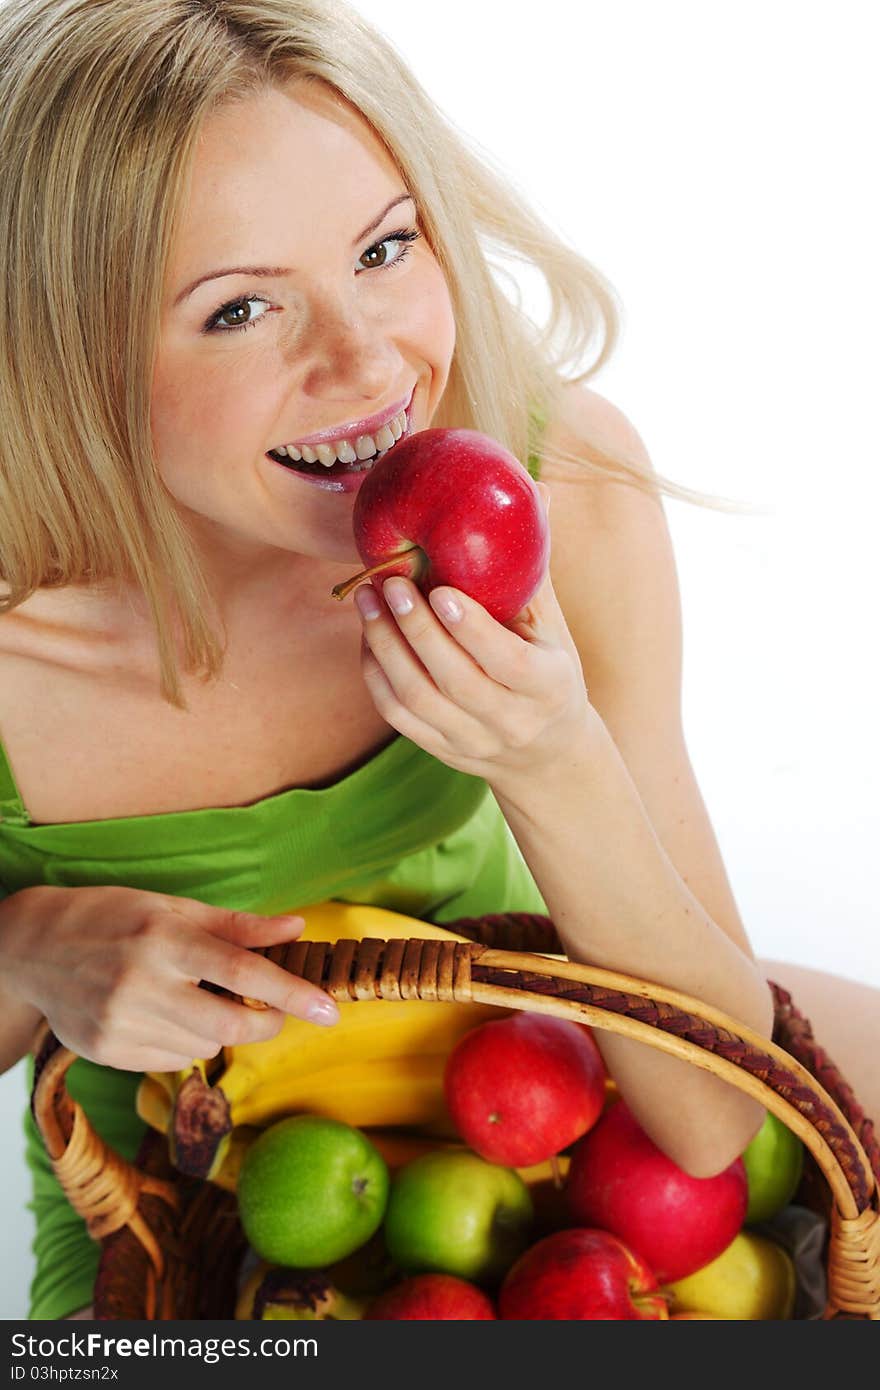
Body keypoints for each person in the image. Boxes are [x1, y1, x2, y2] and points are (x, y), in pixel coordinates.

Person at [0, 0, 875, 1323]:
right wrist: (30, 954)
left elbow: (702, 1120)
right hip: (193, 1212)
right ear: (75, 362)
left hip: (541, 1100)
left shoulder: (559, 485)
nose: (365, 360)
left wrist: (554, 757)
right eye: (239, 309)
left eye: (385, 247)